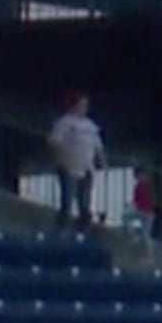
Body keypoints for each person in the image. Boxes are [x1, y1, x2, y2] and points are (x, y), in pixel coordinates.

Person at [48, 92, 105, 227]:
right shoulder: (64, 122)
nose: (84, 108)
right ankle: (62, 230)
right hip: (68, 167)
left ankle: (83, 231)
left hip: (87, 168)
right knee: (67, 202)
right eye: (82, 104)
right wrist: (63, 156)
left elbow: (98, 146)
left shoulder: (90, 125)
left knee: (85, 204)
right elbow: (54, 142)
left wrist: (102, 161)